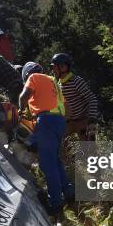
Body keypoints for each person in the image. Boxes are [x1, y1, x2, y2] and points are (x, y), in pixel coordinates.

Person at [18, 61, 72, 215]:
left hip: (46, 121)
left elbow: (23, 97)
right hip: (59, 122)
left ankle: (55, 203)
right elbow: (68, 110)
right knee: (55, 160)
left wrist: (20, 111)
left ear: (27, 74)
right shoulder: (54, 81)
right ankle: (68, 192)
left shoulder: (34, 77)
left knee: (47, 164)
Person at [50, 53, 99, 140]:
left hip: (83, 120)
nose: (52, 70)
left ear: (63, 67)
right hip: (69, 122)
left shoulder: (76, 81)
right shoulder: (58, 85)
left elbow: (92, 99)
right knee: (56, 140)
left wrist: (91, 121)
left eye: (54, 67)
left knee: (89, 150)